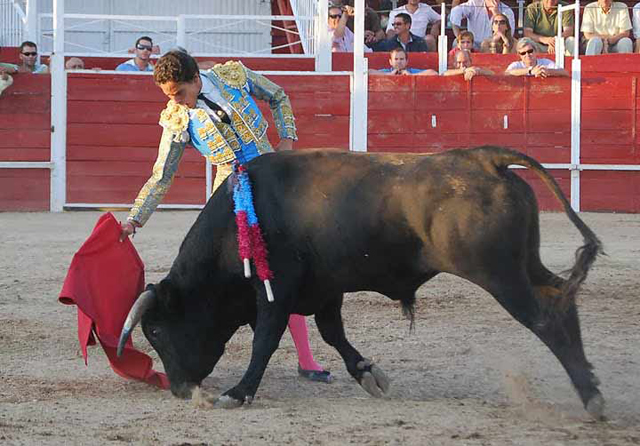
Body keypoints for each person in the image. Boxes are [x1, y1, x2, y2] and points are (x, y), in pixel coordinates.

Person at [119, 50, 332, 383]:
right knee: (251, 275)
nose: (177, 102)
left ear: (194, 78)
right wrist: (135, 218)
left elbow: (277, 95)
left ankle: (306, 359)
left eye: (179, 93)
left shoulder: (233, 75)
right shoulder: (177, 117)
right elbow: (162, 174)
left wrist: (287, 140)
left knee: (284, 269)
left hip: (275, 183)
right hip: (231, 198)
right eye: (169, 96)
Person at [450, 0, 516, 51]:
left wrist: (496, 13)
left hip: (495, 44)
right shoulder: (475, 3)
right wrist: (458, 35)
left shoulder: (507, 11)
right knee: (456, 42)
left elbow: (510, 33)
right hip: (473, 44)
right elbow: (455, 11)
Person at [369, 47, 438, 75]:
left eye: (402, 59)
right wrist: (389, 75)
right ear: (390, 62)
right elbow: (369, 72)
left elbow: (433, 73)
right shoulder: (388, 71)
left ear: (406, 61)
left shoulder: (410, 71)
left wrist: (412, 75)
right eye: (396, 59)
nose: (399, 61)